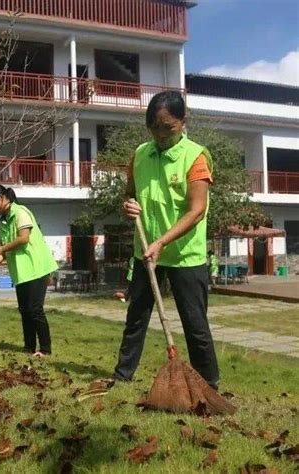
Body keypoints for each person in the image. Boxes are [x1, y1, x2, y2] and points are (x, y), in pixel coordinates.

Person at [113, 90, 220, 389]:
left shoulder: (195, 156)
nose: (161, 135)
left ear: (183, 122)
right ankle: (122, 376)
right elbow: (129, 195)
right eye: (154, 128)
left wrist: (163, 242)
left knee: (195, 324)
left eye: (168, 128)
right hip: (146, 252)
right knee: (136, 317)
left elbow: (197, 210)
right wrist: (127, 205)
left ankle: (209, 385)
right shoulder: (139, 155)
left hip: (185, 255)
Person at [0, 184, 58, 357]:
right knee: (24, 310)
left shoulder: (20, 212)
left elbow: (23, 239)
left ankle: (45, 350)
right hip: (21, 272)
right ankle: (29, 347)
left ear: (2, 198)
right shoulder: (2, 222)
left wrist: (1, 249)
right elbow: (6, 251)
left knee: (35, 309)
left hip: (36, 267)